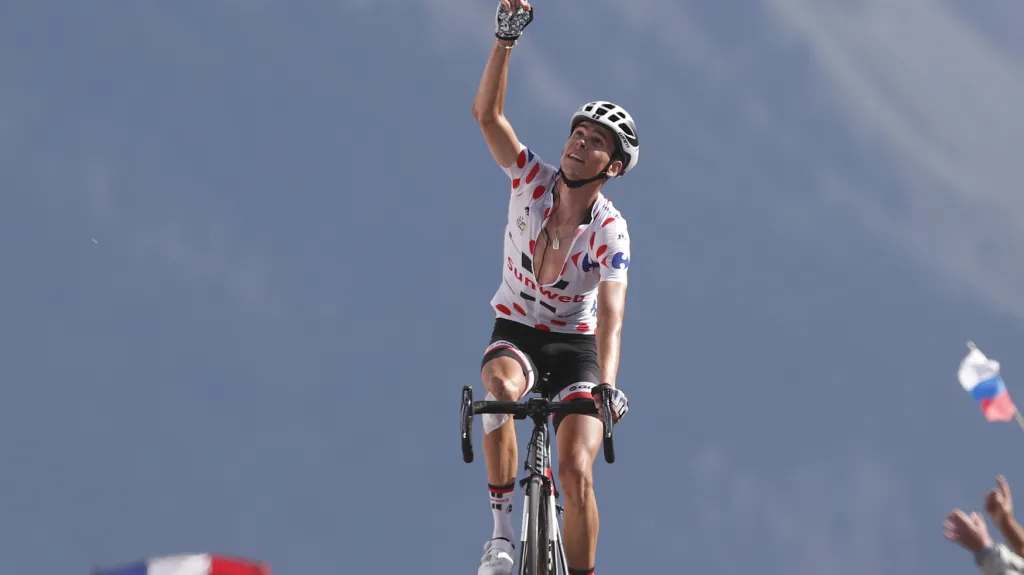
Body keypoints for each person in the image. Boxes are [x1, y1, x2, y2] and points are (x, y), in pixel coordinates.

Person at [470, 1, 638, 574]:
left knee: (575, 472)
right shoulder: (529, 179)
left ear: (612, 168)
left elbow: (612, 315)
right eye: (577, 133)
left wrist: (608, 387)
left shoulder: (610, 231)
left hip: (574, 346)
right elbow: (487, 117)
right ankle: (499, 535)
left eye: (596, 142)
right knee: (496, 388)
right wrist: (505, 39)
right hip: (516, 327)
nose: (579, 144)